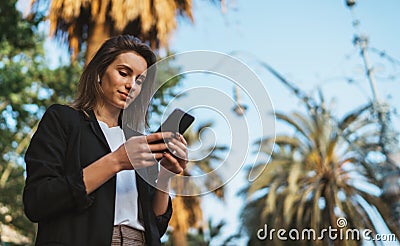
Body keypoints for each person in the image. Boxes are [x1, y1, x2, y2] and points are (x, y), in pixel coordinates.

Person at [23, 35, 188, 245]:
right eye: (123, 73)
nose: (131, 85)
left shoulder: (138, 142)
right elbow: (37, 202)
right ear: (100, 72)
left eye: (140, 80)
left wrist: (165, 175)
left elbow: (156, 226)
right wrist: (116, 161)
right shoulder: (63, 120)